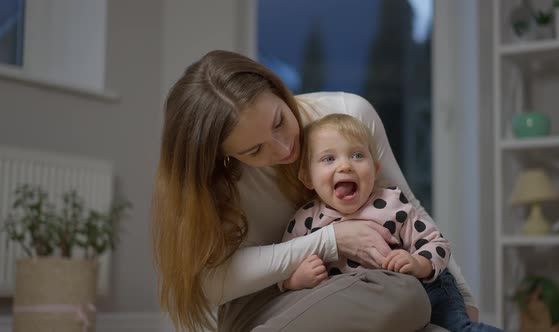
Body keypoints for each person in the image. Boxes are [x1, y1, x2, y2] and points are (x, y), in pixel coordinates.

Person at [151, 49, 479, 332]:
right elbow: (209, 283)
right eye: (254, 151)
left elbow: (409, 207)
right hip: (271, 303)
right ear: (225, 154)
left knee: (428, 316)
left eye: (279, 121)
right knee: (406, 297)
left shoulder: (347, 115)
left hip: (356, 290)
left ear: (277, 88)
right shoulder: (217, 181)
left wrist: (462, 298)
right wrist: (332, 240)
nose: (282, 149)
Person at [280, 114, 502, 332]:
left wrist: (418, 263)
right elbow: (282, 266)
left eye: (357, 155)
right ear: (307, 177)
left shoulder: (390, 203)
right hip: (371, 307)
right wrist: (294, 280)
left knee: (460, 329)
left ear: (375, 170)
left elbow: (439, 244)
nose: (345, 166)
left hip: (427, 287)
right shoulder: (305, 220)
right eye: (329, 159)